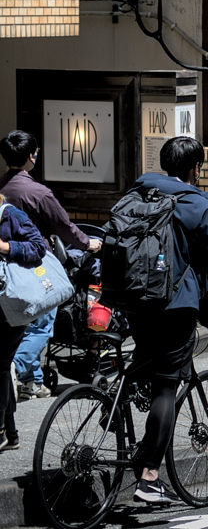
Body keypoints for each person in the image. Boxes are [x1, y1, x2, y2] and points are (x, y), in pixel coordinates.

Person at [127, 137, 208, 504]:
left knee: (144, 362)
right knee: (165, 387)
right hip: (175, 304)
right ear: (195, 168)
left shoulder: (138, 193)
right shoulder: (196, 203)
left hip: (134, 301)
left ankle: (116, 408)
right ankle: (150, 476)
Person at [0, 130, 103, 400]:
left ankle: (31, 381)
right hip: (35, 265)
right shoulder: (38, 192)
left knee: (18, 322)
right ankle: (16, 368)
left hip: (5, 266)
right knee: (41, 323)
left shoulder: (1, 188)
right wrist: (88, 243)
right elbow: (64, 226)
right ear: (31, 157)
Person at [0, 191, 48, 453]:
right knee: (1, 364)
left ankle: (1, 433)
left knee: (0, 363)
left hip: (12, 304)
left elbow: (38, 247)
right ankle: (10, 432)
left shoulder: (10, 214)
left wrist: (6, 247)